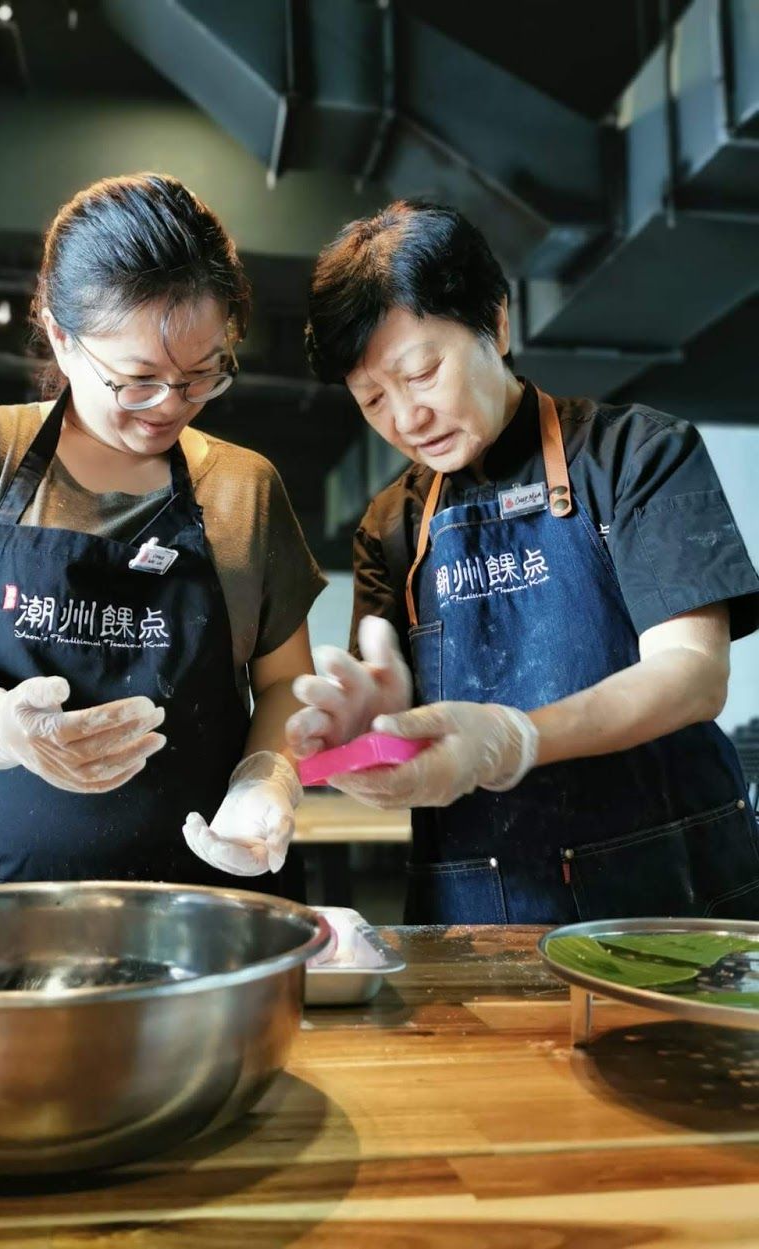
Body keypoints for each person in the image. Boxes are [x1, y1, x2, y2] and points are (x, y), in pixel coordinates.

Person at [287, 198, 759, 925]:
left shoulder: (638, 455)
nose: (405, 418)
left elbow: (692, 675)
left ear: (496, 322)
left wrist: (516, 739)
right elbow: (391, 689)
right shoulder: (391, 523)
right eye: (371, 397)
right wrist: (372, 724)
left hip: (671, 898)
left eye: (422, 372)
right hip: (477, 911)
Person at [0, 172, 324, 894]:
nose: (169, 406)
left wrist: (265, 776)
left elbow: (284, 684)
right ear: (60, 333)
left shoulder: (244, 489)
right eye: (136, 378)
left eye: (201, 374)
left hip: (201, 906)